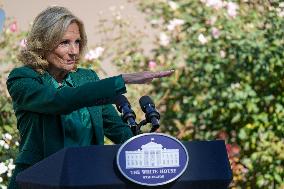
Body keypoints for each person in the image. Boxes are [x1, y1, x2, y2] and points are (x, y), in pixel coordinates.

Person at [6, 6, 174, 189]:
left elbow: (118, 130)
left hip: (86, 181)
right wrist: (121, 80)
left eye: (77, 42)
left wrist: (151, 151)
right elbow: (58, 101)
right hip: (36, 181)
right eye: (64, 43)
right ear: (43, 43)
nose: (74, 51)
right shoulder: (23, 78)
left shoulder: (87, 78)